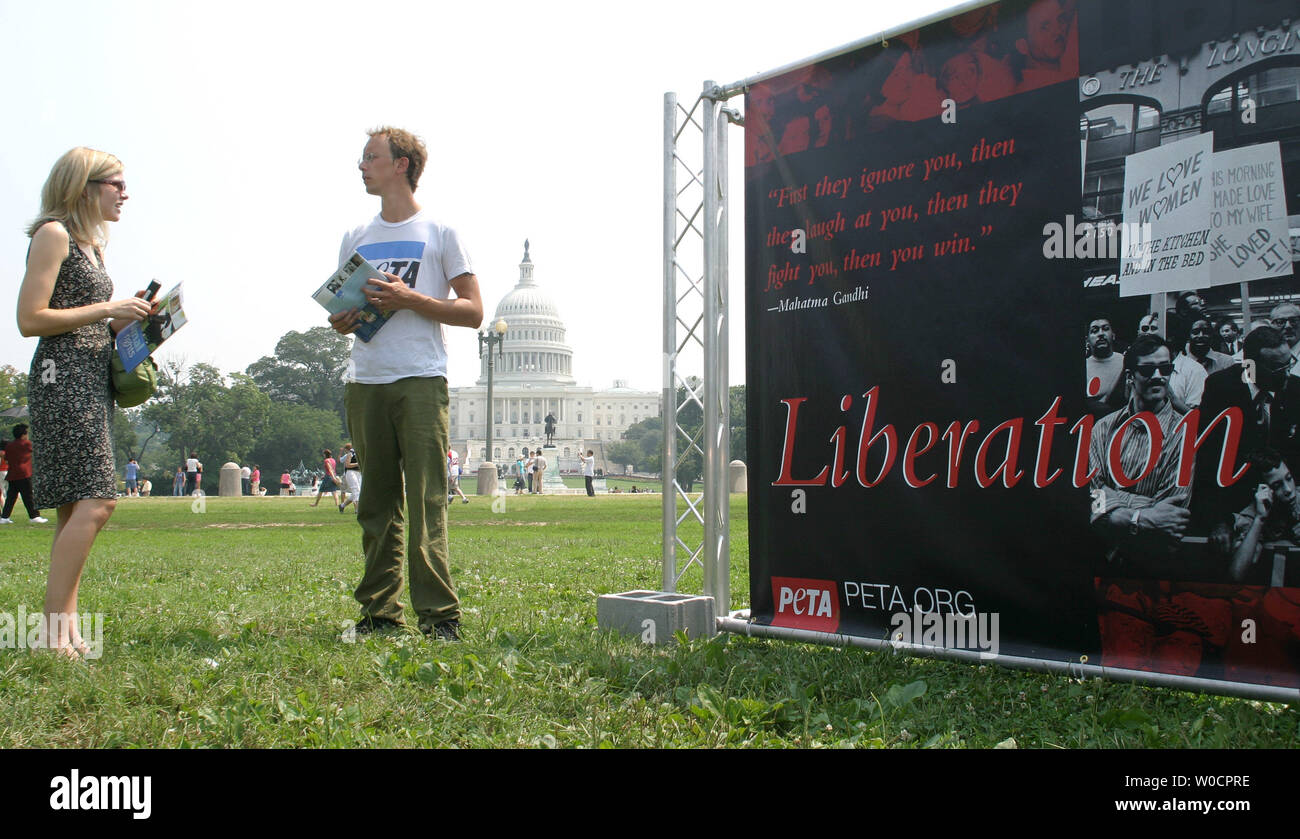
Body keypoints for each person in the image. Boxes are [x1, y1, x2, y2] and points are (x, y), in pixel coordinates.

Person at [328, 126, 483, 640]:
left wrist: (410, 298)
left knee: (425, 499)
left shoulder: (440, 232)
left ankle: (440, 616)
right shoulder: (355, 235)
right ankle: (379, 613)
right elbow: (342, 307)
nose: (361, 165)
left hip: (419, 379)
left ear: (402, 165)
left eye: (371, 157)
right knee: (375, 502)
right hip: (366, 378)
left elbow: (473, 311)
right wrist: (343, 320)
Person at [16, 147, 152, 657]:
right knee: (99, 501)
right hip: (62, 377)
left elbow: (86, 315)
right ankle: (53, 633)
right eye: (116, 183)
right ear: (85, 185)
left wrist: (129, 318)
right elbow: (31, 318)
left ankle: (63, 633)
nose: (125, 193)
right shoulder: (54, 234)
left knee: (75, 506)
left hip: (91, 377)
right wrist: (108, 306)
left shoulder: (93, 247)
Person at [1191, 325, 1300, 551]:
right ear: (1250, 365)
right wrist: (1218, 520)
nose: (1287, 374)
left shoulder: (1295, 390)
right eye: (1278, 369)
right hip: (1234, 505)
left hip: (1285, 500)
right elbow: (1206, 459)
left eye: (1289, 364)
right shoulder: (1220, 388)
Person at [1088, 334, 1191, 565]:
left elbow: (1173, 511)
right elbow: (1092, 493)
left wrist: (1112, 508)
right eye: (1147, 370)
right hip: (1100, 560)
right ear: (1130, 376)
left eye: (1165, 369)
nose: (1158, 377)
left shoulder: (1184, 434)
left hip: (1152, 563)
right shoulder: (1103, 428)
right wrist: (1140, 516)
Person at [1228, 449, 1300, 582]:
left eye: (1289, 479)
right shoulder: (1251, 514)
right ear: (1261, 491)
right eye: (1277, 486)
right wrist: (1260, 519)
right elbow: (1236, 574)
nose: (1289, 490)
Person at [1, 425, 49, 524]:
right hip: (24, 474)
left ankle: (4, 517)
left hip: (12, 474)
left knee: (11, 497)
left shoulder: (9, 446)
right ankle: (34, 516)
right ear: (23, 435)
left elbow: (6, 459)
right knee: (29, 496)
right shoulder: (27, 444)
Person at [1085, 317, 1124, 415]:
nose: (1101, 334)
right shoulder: (1082, 367)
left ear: (1113, 335)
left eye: (1105, 329)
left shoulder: (1126, 362)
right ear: (1087, 340)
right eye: (1094, 331)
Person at [1270, 302, 1300, 377]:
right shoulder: (1267, 356)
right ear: (1271, 326)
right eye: (1280, 322)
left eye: (1293, 321)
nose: (1288, 326)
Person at [338, 445, 361, 513]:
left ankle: (342, 506)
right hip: (351, 472)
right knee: (356, 489)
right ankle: (357, 510)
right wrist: (358, 464)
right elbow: (347, 465)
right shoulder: (351, 453)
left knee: (358, 492)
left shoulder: (361, 452)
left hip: (359, 473)